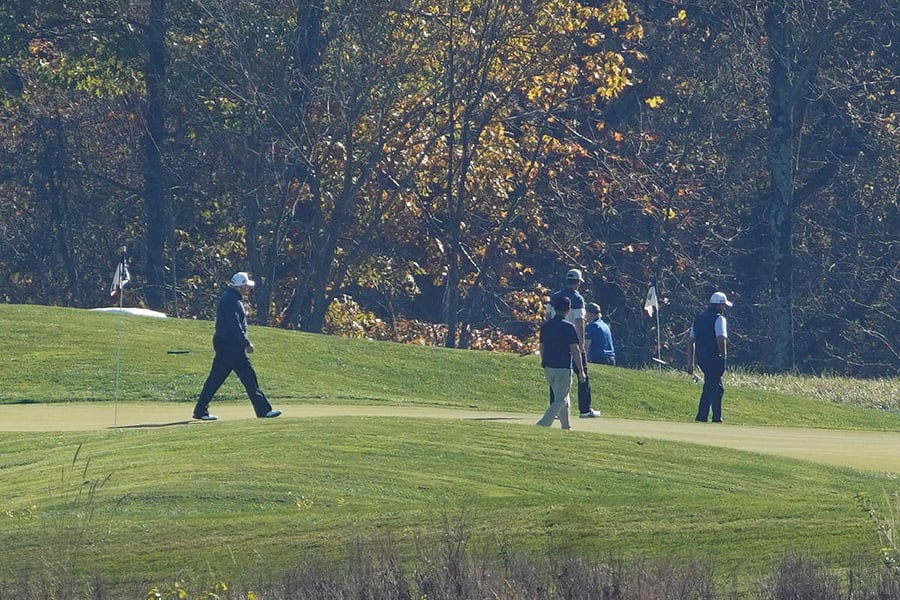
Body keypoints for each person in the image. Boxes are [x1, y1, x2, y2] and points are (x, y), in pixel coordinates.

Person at [192, 272, 282, 421]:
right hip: (230, 347)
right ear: (241, 286)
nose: (248, 289)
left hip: (229, 346)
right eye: (246, 286)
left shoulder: (231, 298)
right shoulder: (230, 300)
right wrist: (246, 343)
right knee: (241, 379)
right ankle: (263, 410)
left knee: (231, 379)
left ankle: (200, 410)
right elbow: (234, 326)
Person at [548, 269, 601, 417]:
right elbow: (579, 322)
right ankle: (584, 410)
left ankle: (555, 409)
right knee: (582, 375)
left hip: (555, 342)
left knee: (557, 376)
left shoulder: (555, 296)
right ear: (577, 283)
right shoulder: (577, 299)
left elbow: (547, 318)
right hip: (572, 341)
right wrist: (581, 345)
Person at [537, 295, 587, 429]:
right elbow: (575, 350)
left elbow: (541, 347)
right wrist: (581, 371)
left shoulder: (545, 326)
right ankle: (543, 424)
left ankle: (566, 426)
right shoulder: (568, 327)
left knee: (563, 397)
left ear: (554, 309)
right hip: (563, 367)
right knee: (561, 399)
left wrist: (544, 361)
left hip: (549, 367)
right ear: (568, 310)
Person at [688, 292, 733, 423]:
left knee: (718, 387)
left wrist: (690, 362)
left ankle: (717, 417)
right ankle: (701, 416)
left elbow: (691, 341)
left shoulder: (698, 318)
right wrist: (723, 356)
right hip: (715, 357)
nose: (724, 308)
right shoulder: (719, 319)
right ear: (719, 305)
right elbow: (721, 339)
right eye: (723, 305)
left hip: (702, 358)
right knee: (710, 387)